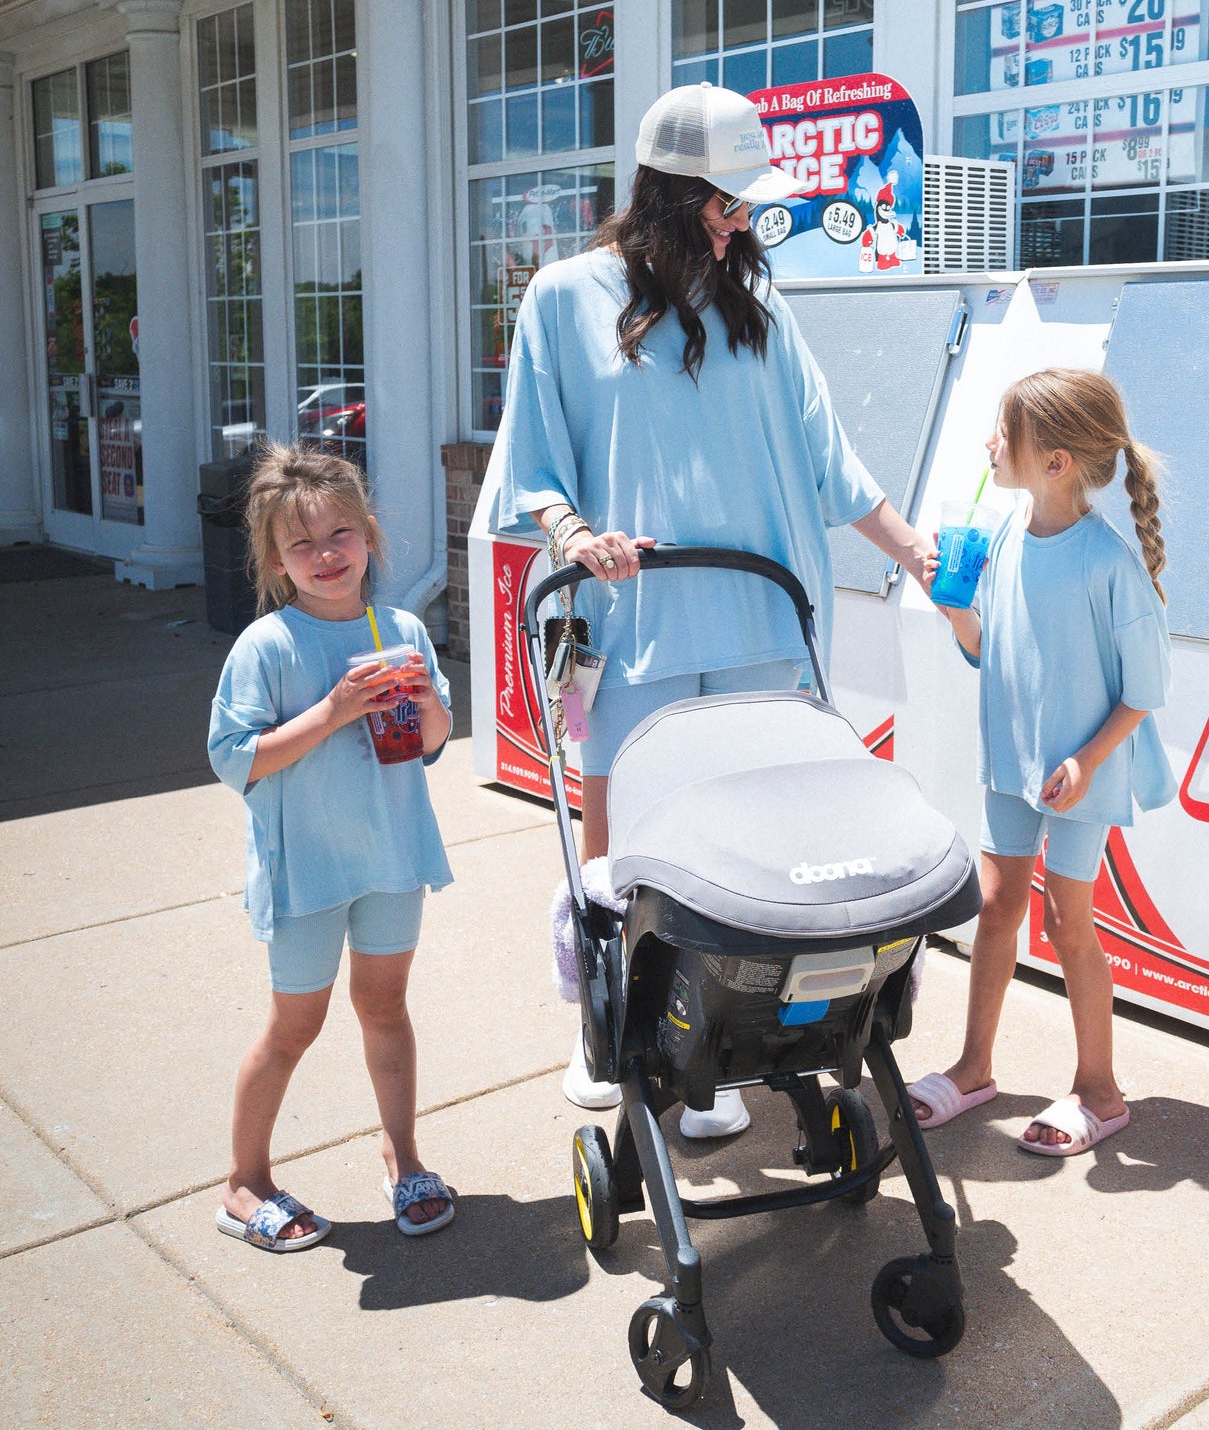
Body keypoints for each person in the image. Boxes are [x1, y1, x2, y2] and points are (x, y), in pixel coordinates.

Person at [485, 82, 937, 1134]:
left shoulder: (762, 310)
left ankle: (714, 1055)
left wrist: (911, 548)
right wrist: (572, 537)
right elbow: (534, 462)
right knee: (627, 835)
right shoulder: (562, 297)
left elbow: (829, 462)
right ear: (672, 193)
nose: (743, 221)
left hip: (762, 618)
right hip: (635, 614)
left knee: (750, 848)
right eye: (727, 201)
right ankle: (609, 1021)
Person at [907, 368, 1175, 1156]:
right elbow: (991, 649)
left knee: (1066, 921)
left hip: (1080, 772)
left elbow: (1143, 692)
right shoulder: (997, 539)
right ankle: (973, 1067)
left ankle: (1099, 1089)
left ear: (1054, 461)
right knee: (995, 905)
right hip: (1013, 763)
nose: (989, 444)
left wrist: (1088, 761)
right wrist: (957, 613)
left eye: (1003, 431)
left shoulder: (1109, 564)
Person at [208, 444, 457, 1249]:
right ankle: (244, 1183)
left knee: (385, 1007)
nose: (325, 555)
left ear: (370, 536)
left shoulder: (402, 627)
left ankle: (403, 1154)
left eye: (340, 533)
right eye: (302, 544)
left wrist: (424, 701)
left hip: (390, 856)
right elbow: (235, 757)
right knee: (293, 1027)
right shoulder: (268, 645)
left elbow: (432, 740)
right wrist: (333, 709)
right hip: (306, 868)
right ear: (276, 560)